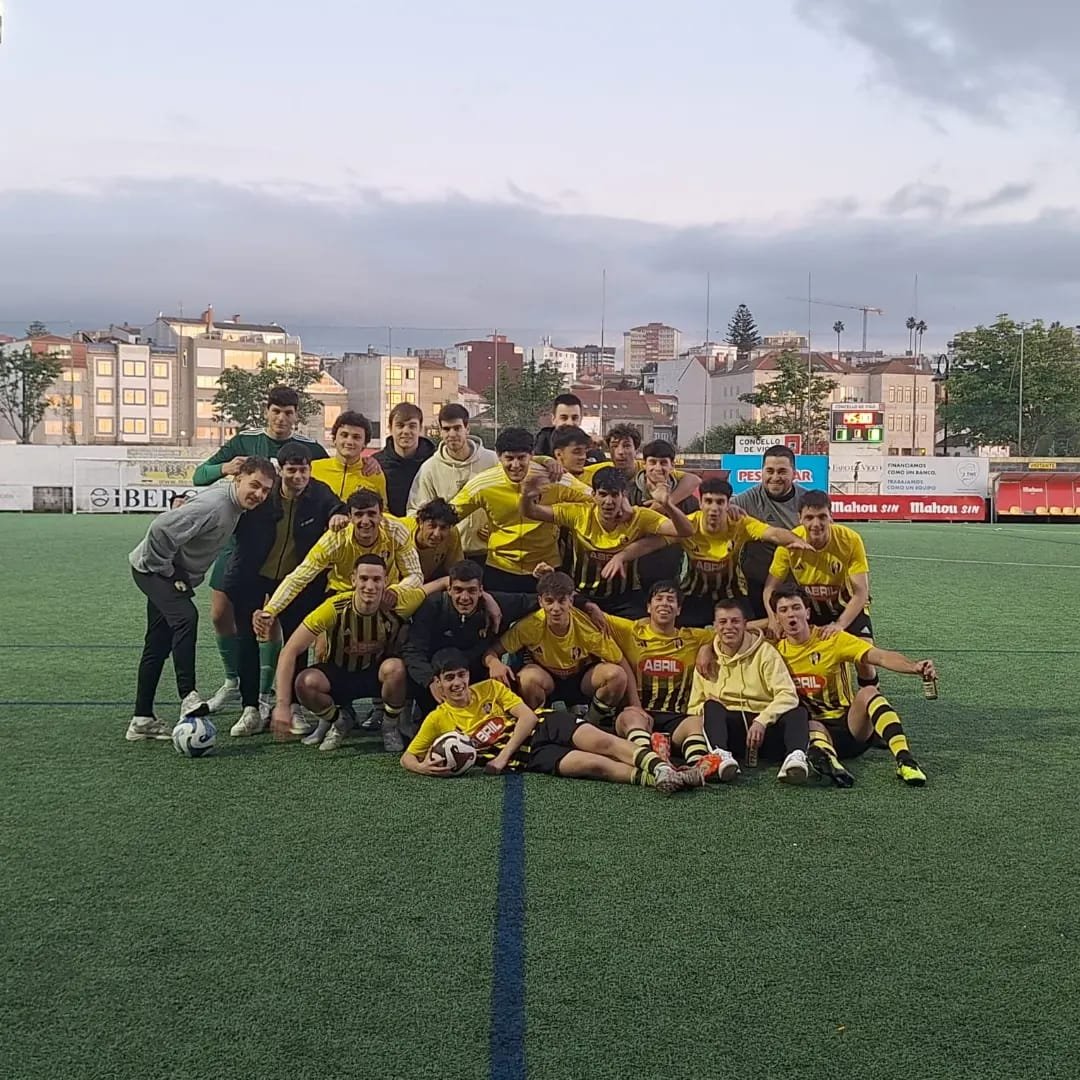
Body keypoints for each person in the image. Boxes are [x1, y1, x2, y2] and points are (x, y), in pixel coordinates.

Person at [191, 385, 328, 714]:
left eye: (289, 412)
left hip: (286, 547)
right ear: (266, 411)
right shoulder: (245, 441)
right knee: (221, 613)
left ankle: (266, 691)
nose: (282, 418)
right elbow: (199, 476)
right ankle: (232, 683)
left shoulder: (312, 449)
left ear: (297, 415)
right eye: (276, 411)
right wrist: (225, 468)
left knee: (272, 619)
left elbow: (327, 485)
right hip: (243, 542)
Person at [401, 648, 698, 793]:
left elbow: (527, 717)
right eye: (449, 679)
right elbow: (407, 758)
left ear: (468, 675)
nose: (457, 683)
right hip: (530, 757)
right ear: (438, 684)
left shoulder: (489, 688)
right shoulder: (437, 718)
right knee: (592, 765)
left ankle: (661, 767)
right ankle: (660, 780)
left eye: (461, 675)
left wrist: (501, 758)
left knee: (603, 742)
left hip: (544, 724)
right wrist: (425, 768)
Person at [126, 457, 276, 741]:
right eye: (254, 485)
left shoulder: (236, 506)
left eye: (266, 490)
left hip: (163, 571)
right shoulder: (216, 505)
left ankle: (141, 719)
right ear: (238, 479)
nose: (259, 494)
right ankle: (188, 696)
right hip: (152, 570)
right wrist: (167, 571)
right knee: (186, 617)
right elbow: (160, 528)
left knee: (157, 643)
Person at [223, 442, 344, 737]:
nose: (298, 476)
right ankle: (250, 707)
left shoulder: (319, 492)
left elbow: (338, 507)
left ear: (310, 470)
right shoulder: (264, 495)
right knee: (247, 640)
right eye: (291, 470)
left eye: (303, 470)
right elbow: (231, 501)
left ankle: (292, 707)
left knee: (296, 641)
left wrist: (338, 515)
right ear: (281, 471)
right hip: (252, 576)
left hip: (298, 581)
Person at [772, 585, 931, 786]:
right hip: (814, 731)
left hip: (850, 726)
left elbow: (880, 656)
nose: (791, 615)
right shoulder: (775, 651)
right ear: (776, 618)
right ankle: (832, 763)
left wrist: (913, 666)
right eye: (783, 610)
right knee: (809, 721)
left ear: (808, 612)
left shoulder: (830, 639)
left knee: (868, 692)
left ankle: (905, 760)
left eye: (796, 607)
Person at [270, 555, 423, 752]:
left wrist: (449, 581)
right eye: (364, 578)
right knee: (305, 682)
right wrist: (282, 705)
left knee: (395, 668)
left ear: (386, 581)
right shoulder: (334, 607)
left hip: (375, 675)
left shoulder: (399, 604)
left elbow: (431, 588)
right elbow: (289, 651)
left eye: (377, 579)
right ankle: (340, 721)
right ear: (353, 580)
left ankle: (389, 726)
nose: (370, 586)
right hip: (339, 673)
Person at [613, 477, 811, 627]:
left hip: (732, 595)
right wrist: (621, 556)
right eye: (708, 501)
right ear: (701, 504)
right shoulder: (689, 525)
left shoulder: (740, 523)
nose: (714, 508)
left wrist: (796, 540)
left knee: (756, 632)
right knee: (674, 631)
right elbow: (651, 544)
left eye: (719, 502)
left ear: (728, 504)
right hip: (694, 596)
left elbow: (773, 533)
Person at [672, 598, 810, 784]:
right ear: (714, 626)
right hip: (730, 733)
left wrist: (762, 721)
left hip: (764, 728)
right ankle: (720, 756)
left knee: (798, 712)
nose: (729, 627)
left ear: (745, 624)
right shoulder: (706, 661)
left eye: (735, 621)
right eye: (723, 622)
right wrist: (712, 711)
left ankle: (794, 758)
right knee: (711, 706)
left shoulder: (765, 652)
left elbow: (788, 694)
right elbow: (694, 707)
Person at [521, 466, 692, 616]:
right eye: (603, 494)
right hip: (582, 595)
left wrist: (667, 504)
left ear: (623, 495)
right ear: (594, 495)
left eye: (614, 495)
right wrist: (527, 496)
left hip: (625, 599)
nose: (608, 502)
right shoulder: (578, 513)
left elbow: (685, 530)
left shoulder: (639, 517)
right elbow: (532, 512)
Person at [484, 570, 634, 728]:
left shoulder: (587, 626)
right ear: (540, 601)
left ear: (571, 600)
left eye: (561, 601)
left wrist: (635, 705)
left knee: (617, 675)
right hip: (548, 680)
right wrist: (494, 663)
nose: (556, 608)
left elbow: (620, 660)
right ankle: (541, 726)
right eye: (549, 601)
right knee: (527, 678)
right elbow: (492, 652)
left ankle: (592, 723)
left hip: (581, 679)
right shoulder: (529, 626)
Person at [451, 427, 591, 593]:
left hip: (546, 567)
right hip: (500, 569)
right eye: (509, 458)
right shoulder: (484, 483)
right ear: (498, 455)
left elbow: (594, 500)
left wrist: (562, 513)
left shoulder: (554, 478)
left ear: (531, 455)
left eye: (521, 458)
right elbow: (449, 514)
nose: (515, 465)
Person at [257, 489, 423, 627]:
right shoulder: (334, 539)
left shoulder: (396, 530)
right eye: (359, 515)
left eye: (372, 514)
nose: (365, 521)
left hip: (386, 593)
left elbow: (415, 575)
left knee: (418, 598)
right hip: (344, 594)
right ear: (349, 518)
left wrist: (396, 590)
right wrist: (271, 609)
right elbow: (299, 577)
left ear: (381, 515)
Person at [762, 489, 876, 684]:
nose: (816, 524)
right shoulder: (789, 543)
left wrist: (840, 625)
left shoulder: (850, 540)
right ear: (800, 518)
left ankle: (872, 695)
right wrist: (773, 619)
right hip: (810, 610)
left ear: (831, 516)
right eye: (809, 517)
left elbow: (861, 592)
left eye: (822, 516)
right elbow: (769, 589)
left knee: (864, 658)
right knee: (781, 646)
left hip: (847, 607)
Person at [605, 581, 714, 758]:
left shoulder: (694, 637)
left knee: (697, 723)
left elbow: (732, 629)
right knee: (629, 717)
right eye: (659, 598)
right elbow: (592, 614)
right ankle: (652, 760)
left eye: (671, 599)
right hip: (638, 714)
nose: (664, 603)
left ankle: (698, 766)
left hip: (676, 718)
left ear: (679, 609)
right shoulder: (630, 631)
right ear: (648, 607)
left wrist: (707, 647)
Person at [406, 404, 497, 560]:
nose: (452, 434)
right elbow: (416, 511)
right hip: (448, 555)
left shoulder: (492, 461)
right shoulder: (430, 468)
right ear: (440, 431)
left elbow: (508, 499)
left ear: (467, 429)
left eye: (457, 428)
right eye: (446, 429)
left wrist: (496, 527)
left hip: (488, 552)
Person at [731, 445, 811, 618]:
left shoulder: (807, 500)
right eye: (770, 471)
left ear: (794, 473)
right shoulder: (745, 500)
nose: (775, 477)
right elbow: (721, 511)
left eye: (782, 471)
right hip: (757, 582)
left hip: (798, 583)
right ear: (762, 472)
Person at [311, 409, 386, 504]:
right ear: (334, 439)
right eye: (344, 435)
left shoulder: (374, 474)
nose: (349, 441)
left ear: (365, 444)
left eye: (356, 437)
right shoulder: (314, 469)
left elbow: (382, 511)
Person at [375, 402, 436, 516]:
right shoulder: (376, 464)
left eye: (412, 426)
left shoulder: (434, 462)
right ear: (390, 428)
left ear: (420, 428)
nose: (406, 431)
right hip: (388, 530)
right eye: (400, 425)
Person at [397, 498, 464, 582]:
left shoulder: (452, 534)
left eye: (443, 528)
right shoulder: (400, 530)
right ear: (420, 522)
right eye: (432, 526)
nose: (436, 534)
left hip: (429, 582)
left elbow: (456, 570)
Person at [532, 393, 606, 463]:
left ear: (580, 419)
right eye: (564, 418)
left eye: (574, 418)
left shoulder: (590, 447)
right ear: (553, 419)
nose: (570, 423)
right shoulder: (541, 444)